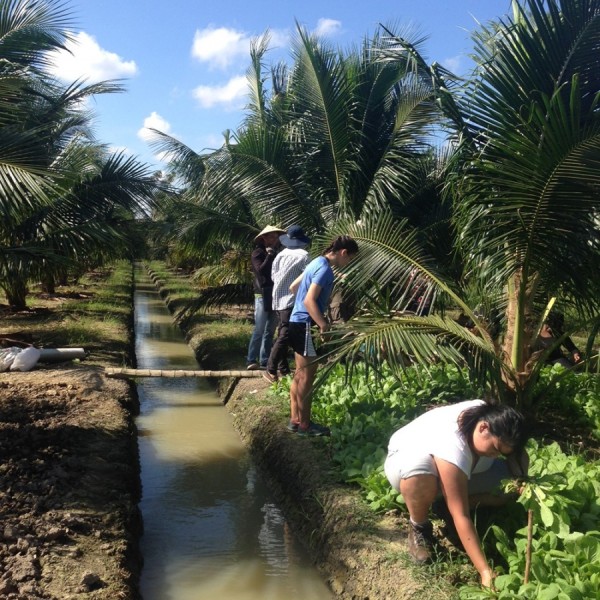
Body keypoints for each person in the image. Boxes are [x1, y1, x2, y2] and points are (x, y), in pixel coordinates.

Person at [383, 400, 529, 588]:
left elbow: (519, 455)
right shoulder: (453, 445)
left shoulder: (495, 418)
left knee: (508, 488)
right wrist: (485, 571)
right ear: (483, 428)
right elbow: (461, 515)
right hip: (409, 463)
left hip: (461, 469)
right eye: (495, 450)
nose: (495, 456)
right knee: (421, 478)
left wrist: (521, 479)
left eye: (501, 453)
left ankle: (444, 504)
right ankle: (419, 527)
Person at [287, 235, 359, 436]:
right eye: (350, 259)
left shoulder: (315, 262)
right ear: (343, 253)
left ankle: (295, 420)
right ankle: (305, 425)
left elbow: (294, 287)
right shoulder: (326, 270)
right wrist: (323, 324)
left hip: (296, 322)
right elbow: (310, 300)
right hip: (306, 325)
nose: (348, 263)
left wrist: (303, 309)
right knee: (308, 377)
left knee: (299, 374)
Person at [263, 225, 311, 383]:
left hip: (278, 300)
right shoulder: (304, 256)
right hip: (291, 300)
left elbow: (273, 276)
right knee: (285, 335)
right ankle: (270, 369)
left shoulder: (280, 255)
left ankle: (283, 369)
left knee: (281, 333)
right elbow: (309, 276)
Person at [246, 225, 285, 370]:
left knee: (270, 331)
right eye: (271, 237)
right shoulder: (258, 253)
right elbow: (261, 271)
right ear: (264, 238)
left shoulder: (279, 253)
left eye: (276, 237)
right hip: (261, 295)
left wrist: (273, 254)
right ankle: (251, 359)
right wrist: (269, 255)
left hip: (276, 294)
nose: (274, 239)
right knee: (259, 329)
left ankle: (264, 361)